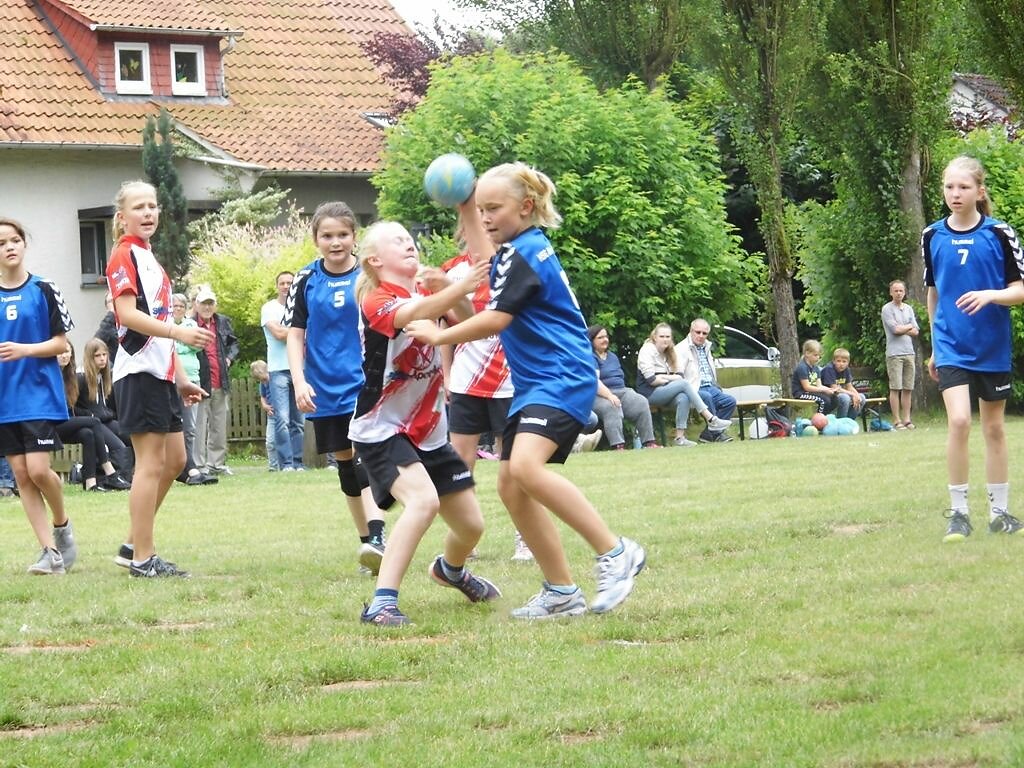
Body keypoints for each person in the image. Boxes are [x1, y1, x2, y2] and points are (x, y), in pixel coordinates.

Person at [407, 162, 645, 620]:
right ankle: (560, 591)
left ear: (527, 206)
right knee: (512, 487)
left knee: (525, 468)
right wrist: (466, 205)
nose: (486, 217)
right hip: (536, 383)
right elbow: (485, 260)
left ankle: (616, 552)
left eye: (493, 208)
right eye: (481, 209)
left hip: (562, 376)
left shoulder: (526, 252)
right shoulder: (516, 249)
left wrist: (438, 337)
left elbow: (495, 320)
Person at [350, 220, 500, 626]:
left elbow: (468, 323)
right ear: (375, 260)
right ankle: (381, 602)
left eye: (410, 239)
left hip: (428, 430)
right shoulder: (377, 299)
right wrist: (459, 283)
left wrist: (452, 290)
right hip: (381, 428)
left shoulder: (428, 290)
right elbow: (416, 313)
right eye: (398, 241)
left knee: (471, 527)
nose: (409, 244)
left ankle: (450, 570)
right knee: (423, 501)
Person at [105, 180, 213, 577]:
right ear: (122, 217)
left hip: (161, 375)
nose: (148, 213)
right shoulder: (123, 256)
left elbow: (160, 319)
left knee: (176, 461)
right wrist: (180, 334)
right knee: (150, 464)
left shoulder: (148, 256)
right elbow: (128, 316)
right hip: (138, 374)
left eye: (153, 206)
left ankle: (134, 543)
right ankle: (143, 559)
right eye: (139, 207)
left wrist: (181, 377)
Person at [923, 155, 1024, 542]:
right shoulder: (932, 236)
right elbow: (933, 295)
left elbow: (1019, 290)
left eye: (963, 187)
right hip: (951, 345)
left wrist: (990, 295)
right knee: (961, 421)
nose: (955, 194)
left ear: (979, 191)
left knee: (994, 427)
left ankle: (1000, 513)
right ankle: (959, 514)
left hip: (992, 346)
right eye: (949, 186)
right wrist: (935, 345)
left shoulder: (999, 233)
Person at [286, 201, 389, 575]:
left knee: (365, 456)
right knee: (345, 463)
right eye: (327, 235)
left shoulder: (369, 275)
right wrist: (299, 381)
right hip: (322, 387)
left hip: (363, 383)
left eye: (343, 234)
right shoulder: (306, 279)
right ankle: (368, 543)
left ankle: (379, 535)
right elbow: (295, 335)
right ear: (315, 239)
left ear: (354, 237)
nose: (335, 242)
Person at [440, 245, 531, 560]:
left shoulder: (512, 263)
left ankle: (525, 537)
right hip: (466, 383)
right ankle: (466, 540)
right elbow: (445, 327)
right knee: (460, 464)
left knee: (514, 465)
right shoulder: (452, 270)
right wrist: (447, 374)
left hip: (509, 382)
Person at [0, 217, 78, 574]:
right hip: (5, 397)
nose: (10, 247)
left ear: (24, 244)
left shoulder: (44, 289)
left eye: (15, 240)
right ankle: (49, 553)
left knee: (38, 469)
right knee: (20, 473)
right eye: (2, 243)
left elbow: (62, 344)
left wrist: (24, 350)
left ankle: (62, 527)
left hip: (38, 394)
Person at [637, 323, 731, 447]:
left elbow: (679, 375)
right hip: (649, 393)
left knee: (684, 397)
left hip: (665, 391)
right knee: (684, 385)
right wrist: (671, 379)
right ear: (655, 337)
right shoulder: (647, 350)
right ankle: (711, 419)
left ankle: (679, 438)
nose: (665, 339)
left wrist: (664, 378)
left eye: (668, 336)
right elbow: (652, 380)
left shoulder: (670, 351)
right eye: (662, 336)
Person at [57, 341, 131, 492]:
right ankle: (109, 472)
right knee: (94, 422)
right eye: (61, 352)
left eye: (67, 352)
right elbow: (73, 408)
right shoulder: (70, 376)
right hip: (54, 422)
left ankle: (90, 483)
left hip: (70, 420)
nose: (64, 355)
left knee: (87, 434)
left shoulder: (70, 375)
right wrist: (89, 415)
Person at [261, 271, 305, 471]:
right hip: (278, 369)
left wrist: (300, 331)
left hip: (299, 369)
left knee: (298, 421)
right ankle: (285, 464)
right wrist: (301, 331)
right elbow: (278, 334)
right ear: (277, 286)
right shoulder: (269, 308)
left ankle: (298, 463)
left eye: (290, 283)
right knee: (282, 420)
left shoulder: (302, 306)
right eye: (282, 283)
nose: (286, 286)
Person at [171, 292, 216, 486]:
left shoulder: (191, 325)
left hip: (192, 378)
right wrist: (183, 342)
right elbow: (168, 347)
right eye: (174, 306)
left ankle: (191, 464)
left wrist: (177, 342)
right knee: (173, 426)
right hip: (170, 380)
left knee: (190, 427)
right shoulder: (165, 325)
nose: (177, 309)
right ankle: (180, 466)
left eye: (181, 306)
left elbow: (198, 346)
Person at [588, 324, 657, 450]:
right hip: (598, 395)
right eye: (600, 337)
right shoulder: (589, 357)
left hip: (621, 391)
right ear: (592, 341)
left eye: (606, 336)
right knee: (612, 407)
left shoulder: (613, 357)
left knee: (641, 402)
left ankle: (649, 443)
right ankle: (618, 446)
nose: (605, 340)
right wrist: (610, 395)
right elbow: (594, 382)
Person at [194, 285, 239, 476]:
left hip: (221, 381)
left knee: (219, 425)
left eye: (210, 303)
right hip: (200, 381)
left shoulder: (222, 322)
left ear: (215, 305)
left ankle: (217, 464)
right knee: (199, 426)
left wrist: (229, 357)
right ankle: (199, 465)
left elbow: (234, 343)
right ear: (196, 305)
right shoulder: (190, 325)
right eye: (203, 303)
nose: (207, 307)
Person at [75, 336, 133, 475]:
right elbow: (72, 407)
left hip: (106, 420)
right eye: (97, 355)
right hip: (92, 422)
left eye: (104, 355)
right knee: (118, 446)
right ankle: (115, 477)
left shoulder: (104, 377)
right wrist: (90, 415)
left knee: (133, 437)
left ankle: (131, 474)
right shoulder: (80, 377)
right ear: (90, 357)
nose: (102, 358)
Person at [675, 319, 738, 443]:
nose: (701, 336)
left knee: (730, 401)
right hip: (693, 388)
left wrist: (716, 386)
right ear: (691, 331)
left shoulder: (707, 347)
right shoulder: (681, 349)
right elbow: (678, 375)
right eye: (698, 332)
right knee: (707, 397)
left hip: (710, 386)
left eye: (704, 333)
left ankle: (709, 434)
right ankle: (716, 435)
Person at [881, 279, 919, 429]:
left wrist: (905, 327)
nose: (898, 293)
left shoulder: (909, 309)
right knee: (895, 387)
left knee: (908, 387)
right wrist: (908, 326)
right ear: (891, 292)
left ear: (904, 292)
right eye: (895, 291)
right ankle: (897, 420)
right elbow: (895, 330)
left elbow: (916, 331)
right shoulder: (887, 309)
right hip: (894, 354)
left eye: (901, 291)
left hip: (909, 352)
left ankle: (907, 419)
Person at [820, 348, 866, 420]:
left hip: (838, 393)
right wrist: (852, 394)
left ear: (848, 362)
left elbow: (849, 387)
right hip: (827, 395)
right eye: (838, 361)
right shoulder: (829, 369)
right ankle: (840, 422)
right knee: (845, 398)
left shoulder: (846, 369)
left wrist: (856, 395)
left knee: (861, 398)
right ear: (834, 361)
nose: (841, 364)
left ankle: (849, 422)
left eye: (844, 361)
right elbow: (835, 388)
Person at [250, 360, 280, 472]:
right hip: (271, 415)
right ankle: (273, 466)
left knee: (284, 439)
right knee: (270, 441)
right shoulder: (263, 384)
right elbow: (263, 396)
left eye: (263, 378)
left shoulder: (276, 379)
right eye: (260, 380)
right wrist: (265, 406)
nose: (263, 381)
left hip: (281, 414)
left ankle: (285, 463)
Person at [791, 339, 834, 413]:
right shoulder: (802, 367)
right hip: (801, 393)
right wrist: (824, 390)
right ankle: (819, 421)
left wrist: (830, 390)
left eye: (819, 356)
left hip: (811, 392)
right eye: (816, 355)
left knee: (834, 399)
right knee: (824, 400)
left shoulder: (816, 368)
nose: (818, 358)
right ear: (807, 353)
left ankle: (824, 418)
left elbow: (819, 385)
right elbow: (807, 387)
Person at [94, 291, 119, 365]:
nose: (114, 304)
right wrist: (111, 313)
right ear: (106, 306)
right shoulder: (108, 325)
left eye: (116, 300)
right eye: (111, 301)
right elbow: (95, 343)